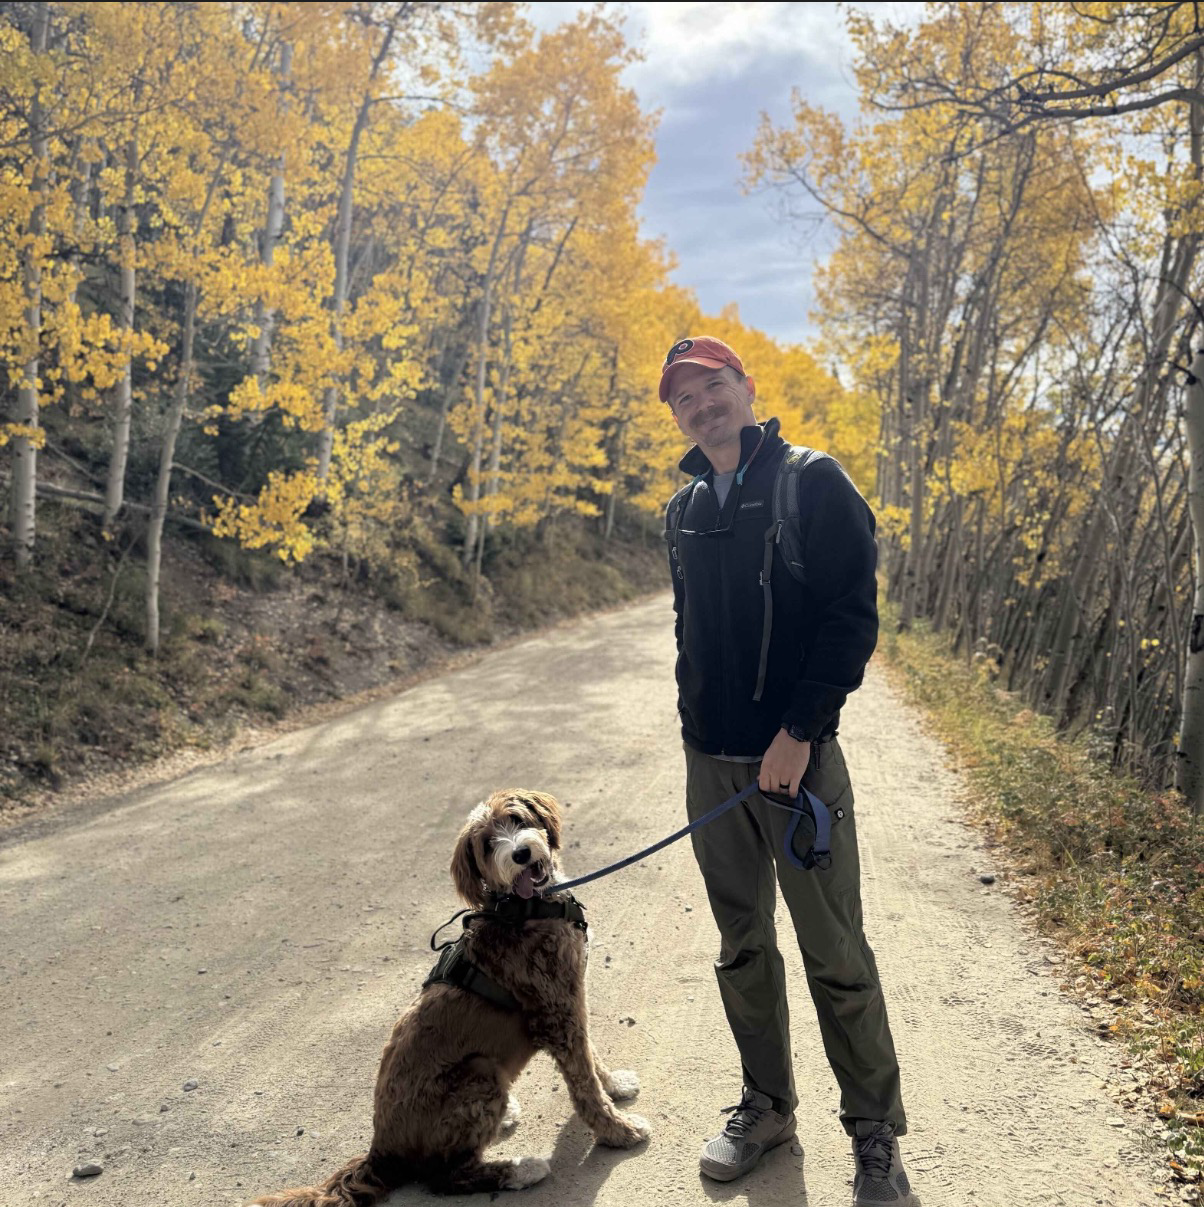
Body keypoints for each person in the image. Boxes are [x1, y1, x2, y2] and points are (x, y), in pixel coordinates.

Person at [660, 335, 914, 1206]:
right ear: (678, 415)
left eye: (714, 385)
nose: (703, 404)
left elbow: (852, 619)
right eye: (686, 397)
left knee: (834, 948)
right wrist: (698, 736)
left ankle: (874, 1130)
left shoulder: (813, 481)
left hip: (797, 767)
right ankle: (767, 1105)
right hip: (713, 772)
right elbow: (690, 629)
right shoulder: (683, 506)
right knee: (741, 946)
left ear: (747, 388)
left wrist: (802, 730)